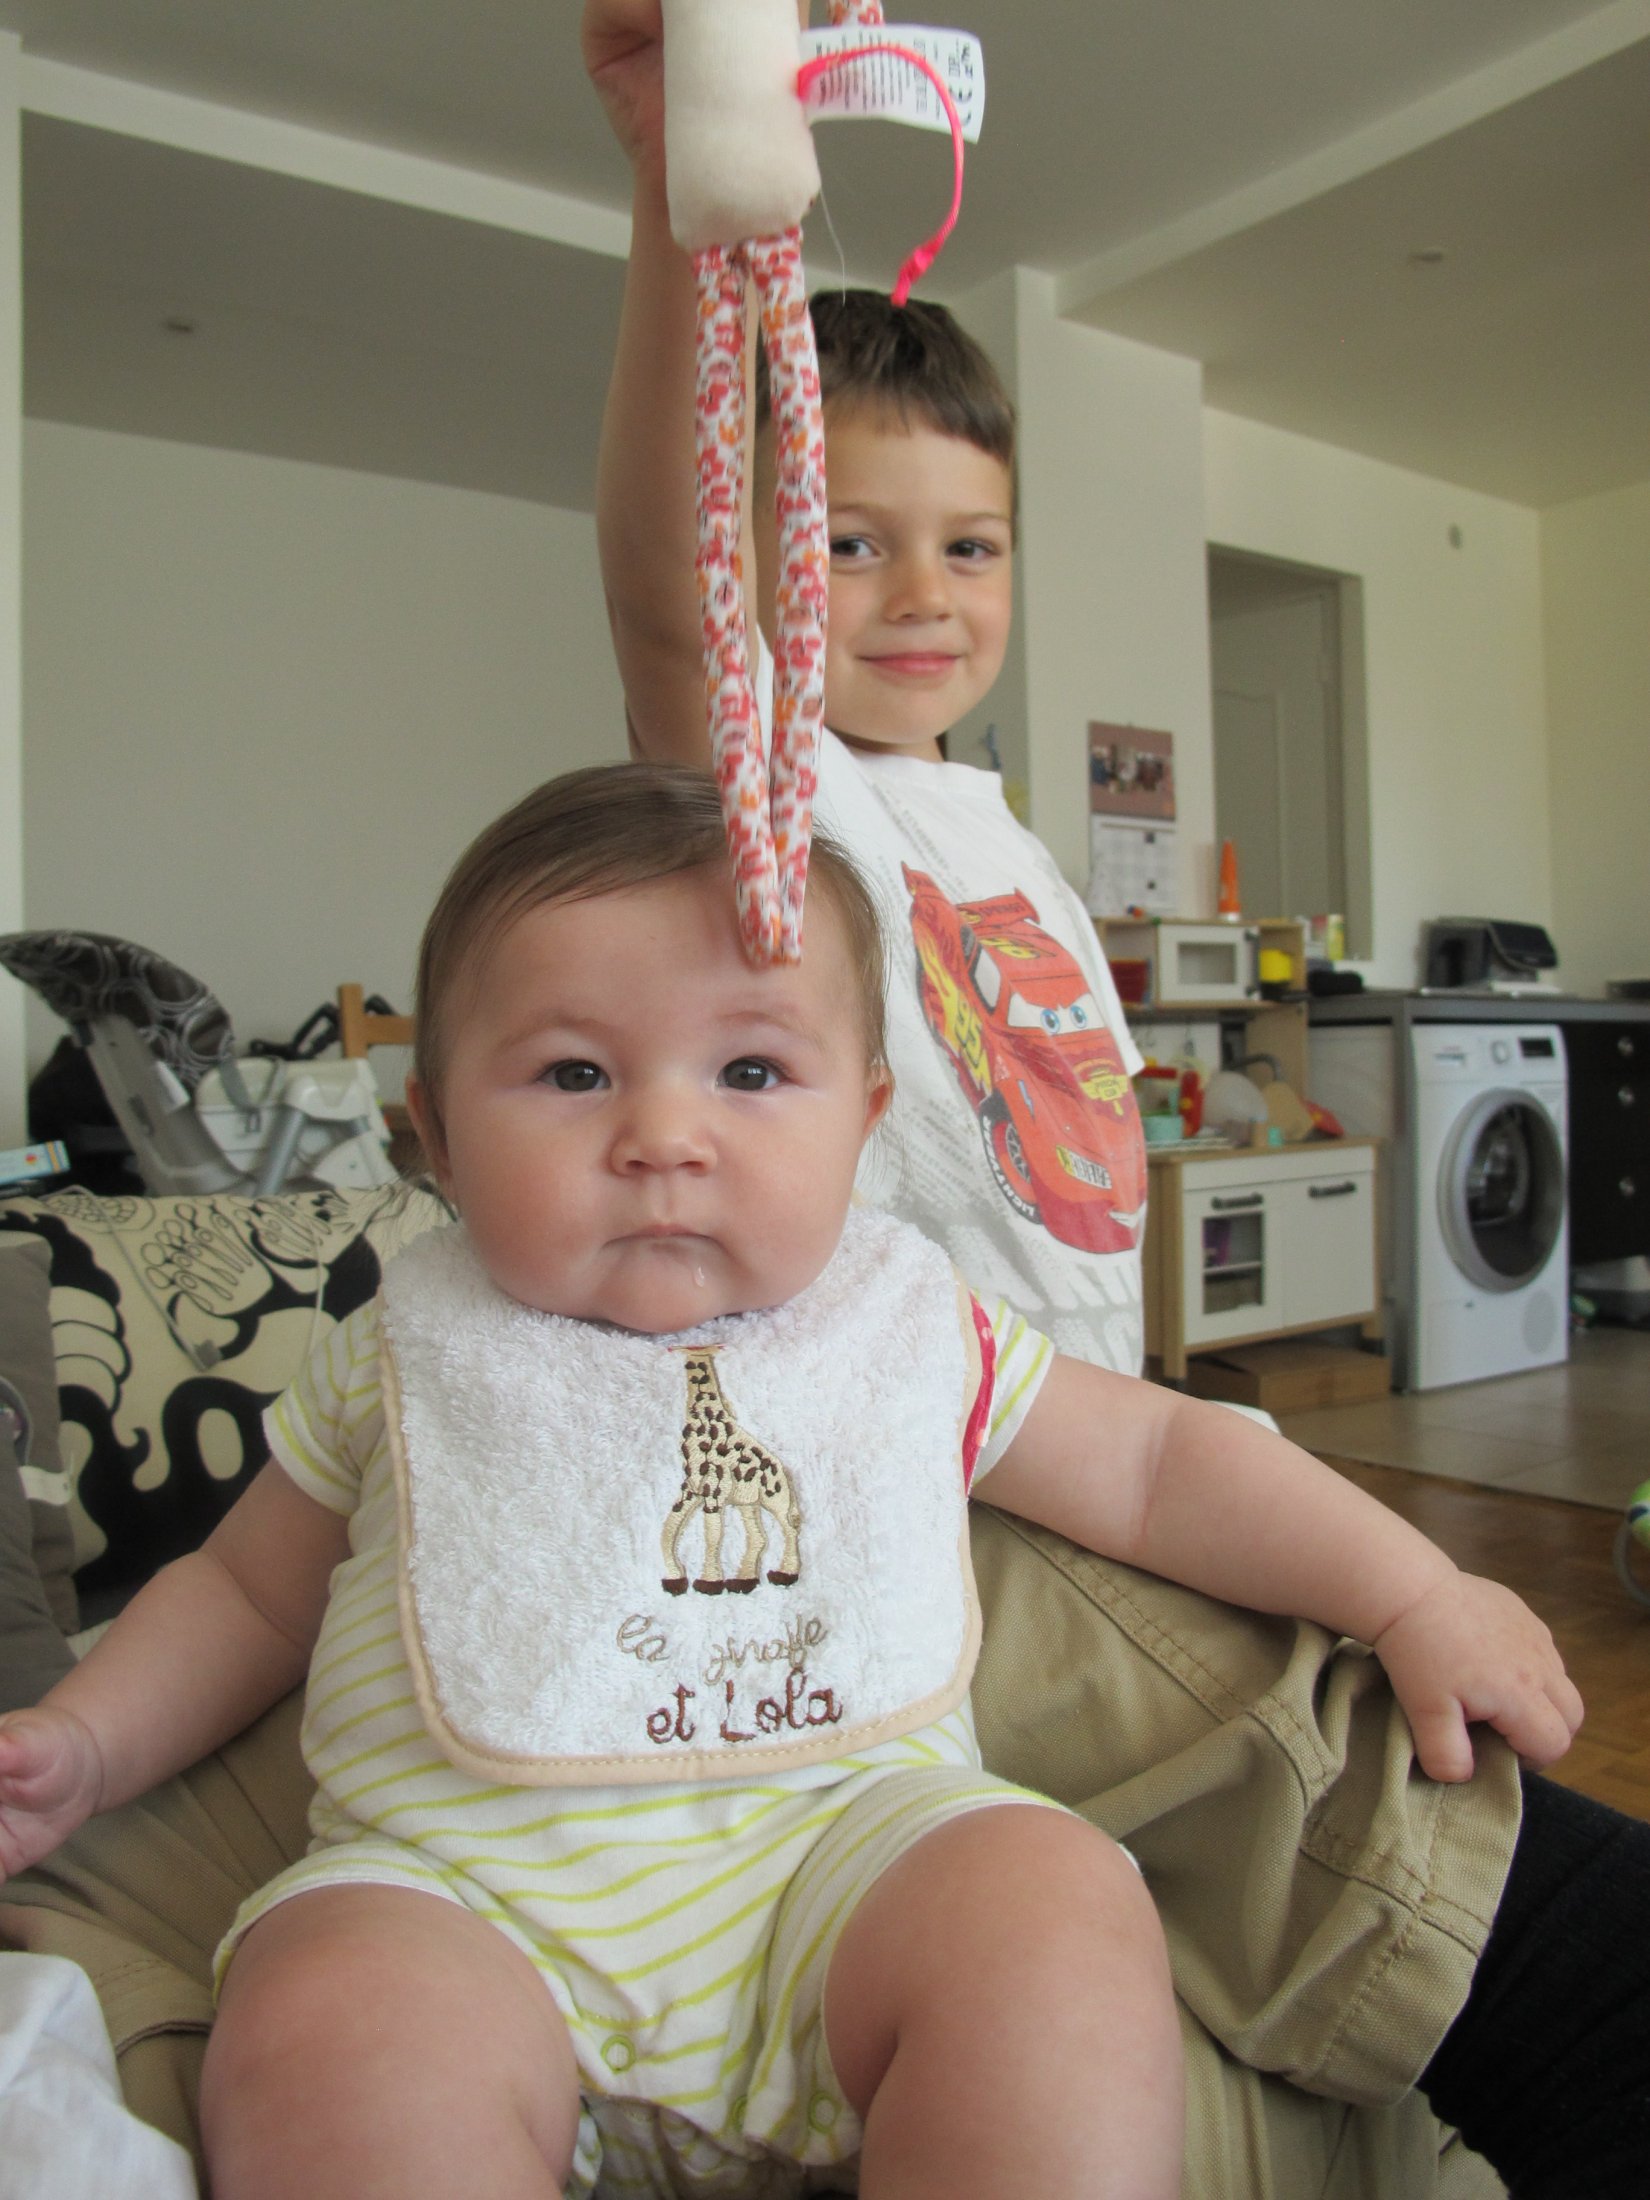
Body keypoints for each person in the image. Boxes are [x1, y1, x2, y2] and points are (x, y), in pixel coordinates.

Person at [582, 8, 1650, 2194]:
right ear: (764, 559)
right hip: (932, 1480)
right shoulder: (779, 805)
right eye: (846, 543)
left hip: (1095, 1425)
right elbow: (669, 594)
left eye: (969, 547)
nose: (919, 595)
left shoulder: (994, 822)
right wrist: (681, 197)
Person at [0, 764, 1584, 2200]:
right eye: (571, 1074)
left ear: (864, 1121)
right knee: (323, 2020)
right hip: (456, 1902)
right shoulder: (399, 1350)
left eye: (751, 1071)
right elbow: (244, 1594)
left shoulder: (910, 1325)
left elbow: (1162, 1462)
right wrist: (87, 1739)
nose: (663, 1135)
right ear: (434, 1133)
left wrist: (1411, 1592)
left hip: (851, 1866)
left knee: (1048, 1902)